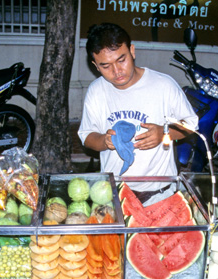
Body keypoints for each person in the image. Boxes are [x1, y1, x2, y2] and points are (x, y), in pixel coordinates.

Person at [78, 23, 198, 205]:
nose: (116, 71)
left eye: (121, 60)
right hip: (114, 193)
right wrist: (104, 141)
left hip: (159, 192)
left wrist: (165, 133)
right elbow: (87, 136)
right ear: (95, 66)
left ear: (132, 51)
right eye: (106, 66)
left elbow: (191, 124)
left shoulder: (163, 85)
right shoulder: (96, 91)